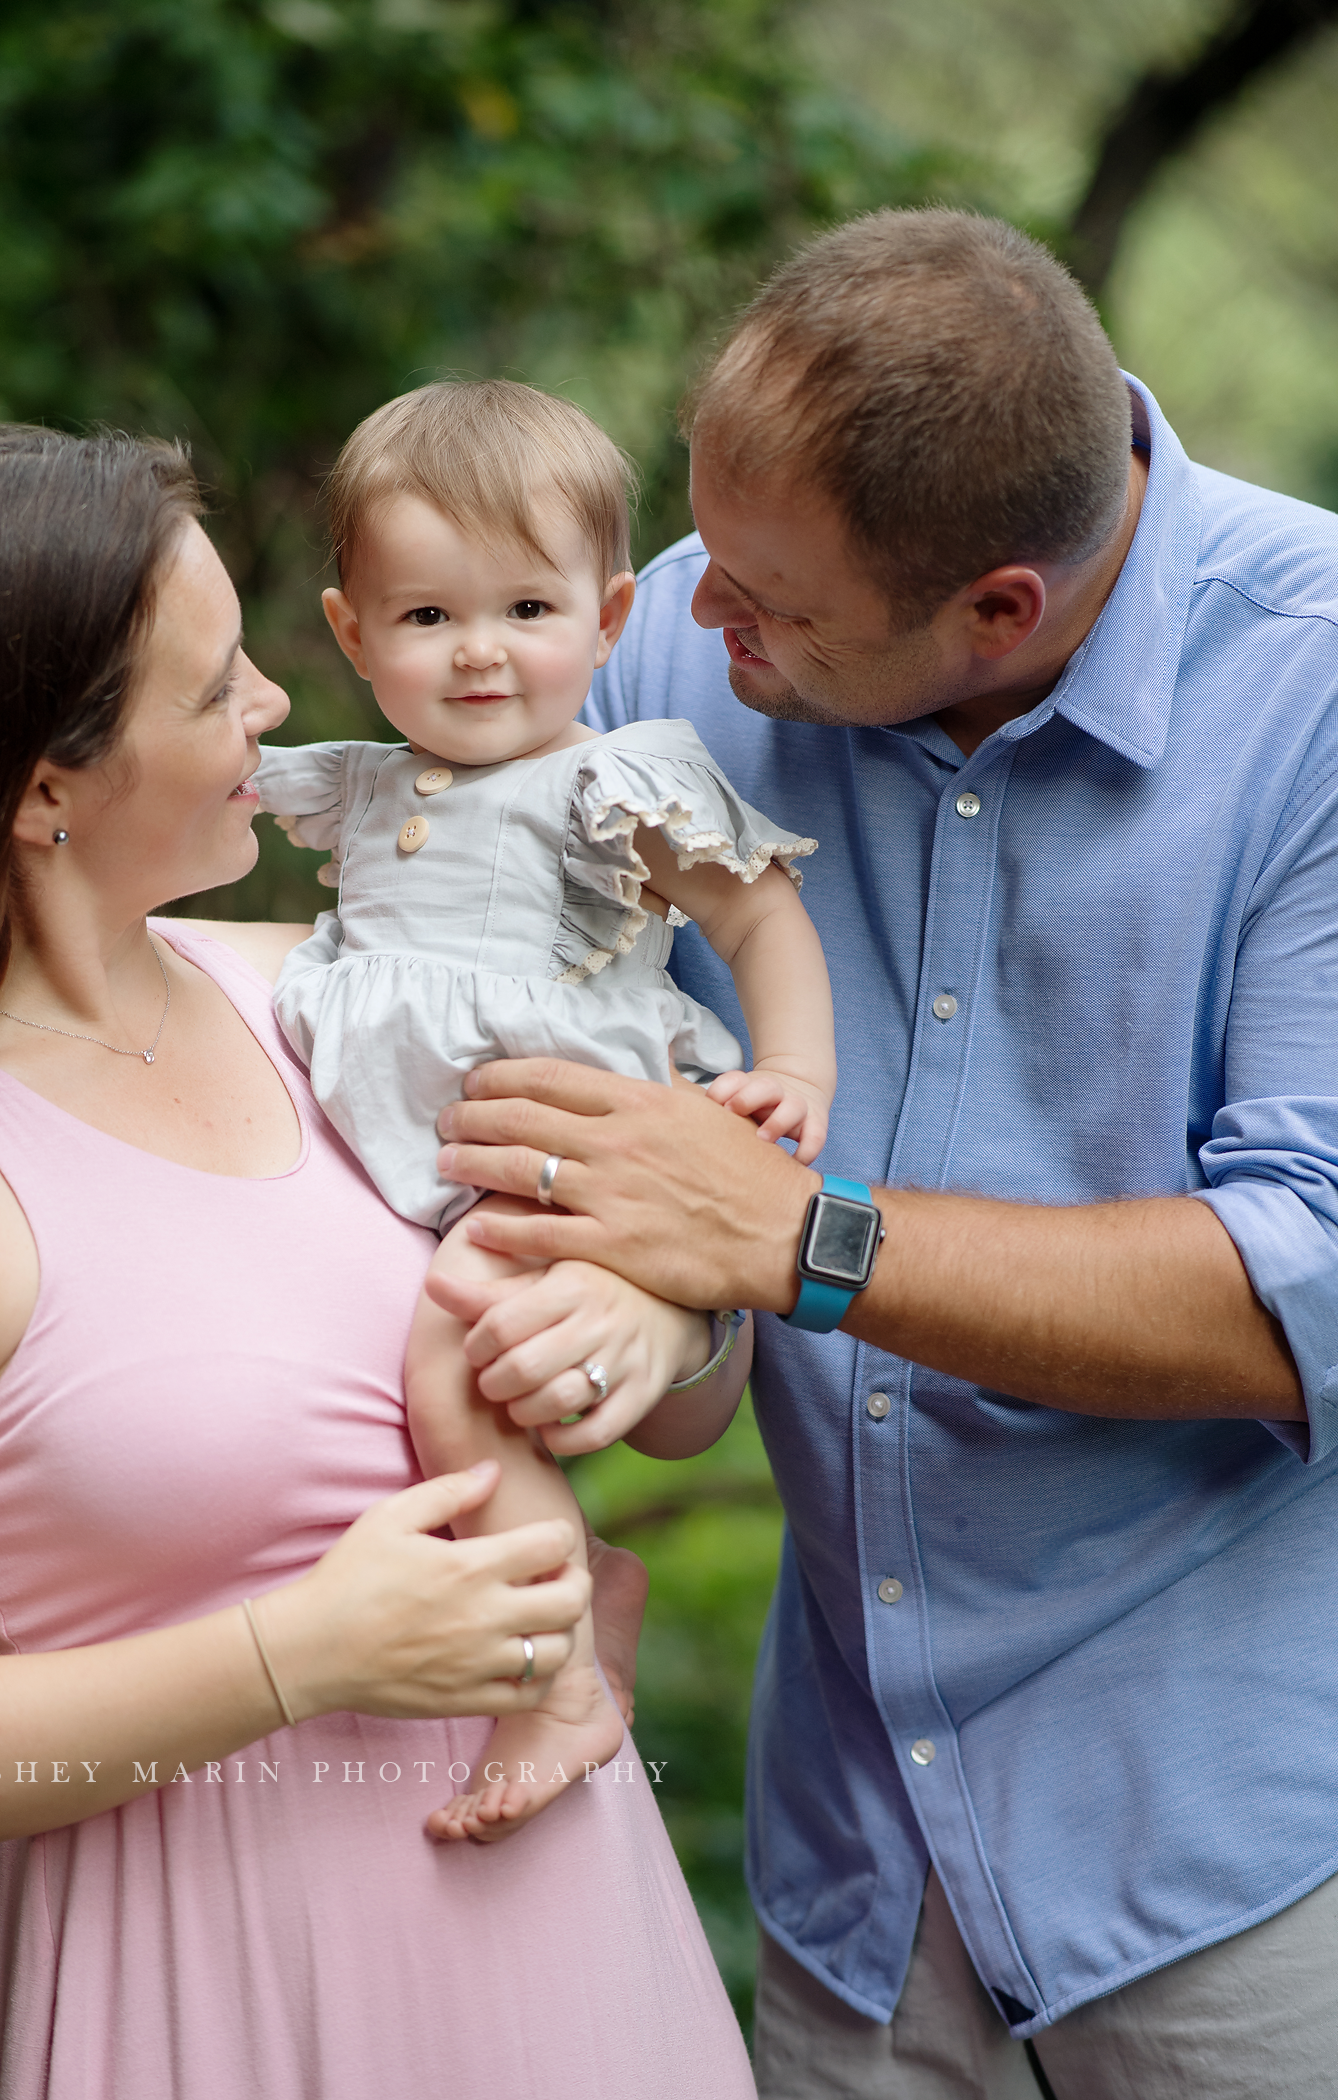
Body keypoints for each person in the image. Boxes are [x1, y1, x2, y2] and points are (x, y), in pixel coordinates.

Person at [426, 209, 1338, 2099]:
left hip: (1244, 1880)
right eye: (704, 556)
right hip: (851, 1867)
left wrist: (800, 1239)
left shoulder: (1315, 692)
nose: (691, 624)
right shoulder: (681, 641)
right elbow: (467, 1000)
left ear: (998, 608)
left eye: (771, 611)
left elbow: (1306, 1290)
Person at [0, 424, 758, 2100]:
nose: (275, 704)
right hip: (209, 1988)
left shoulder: (342, 997)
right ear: (45, 787)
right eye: (213, 691)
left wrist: (654, 1311)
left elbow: (692, 1410)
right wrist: (297, 1658)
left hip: (568, 1951)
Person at [254, 377, 834, 1842]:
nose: (480, 657)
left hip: (587, 1143)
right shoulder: (368, 788)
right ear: (350, 633)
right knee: (419, 1349)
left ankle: (559, 1666)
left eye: (527, 609)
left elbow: (764, 922)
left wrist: (798, 1073)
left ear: (613, 614)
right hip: (448, 1159)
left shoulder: (616, 783)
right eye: (429, 617)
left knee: (459, 1335)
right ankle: (575, 1572)